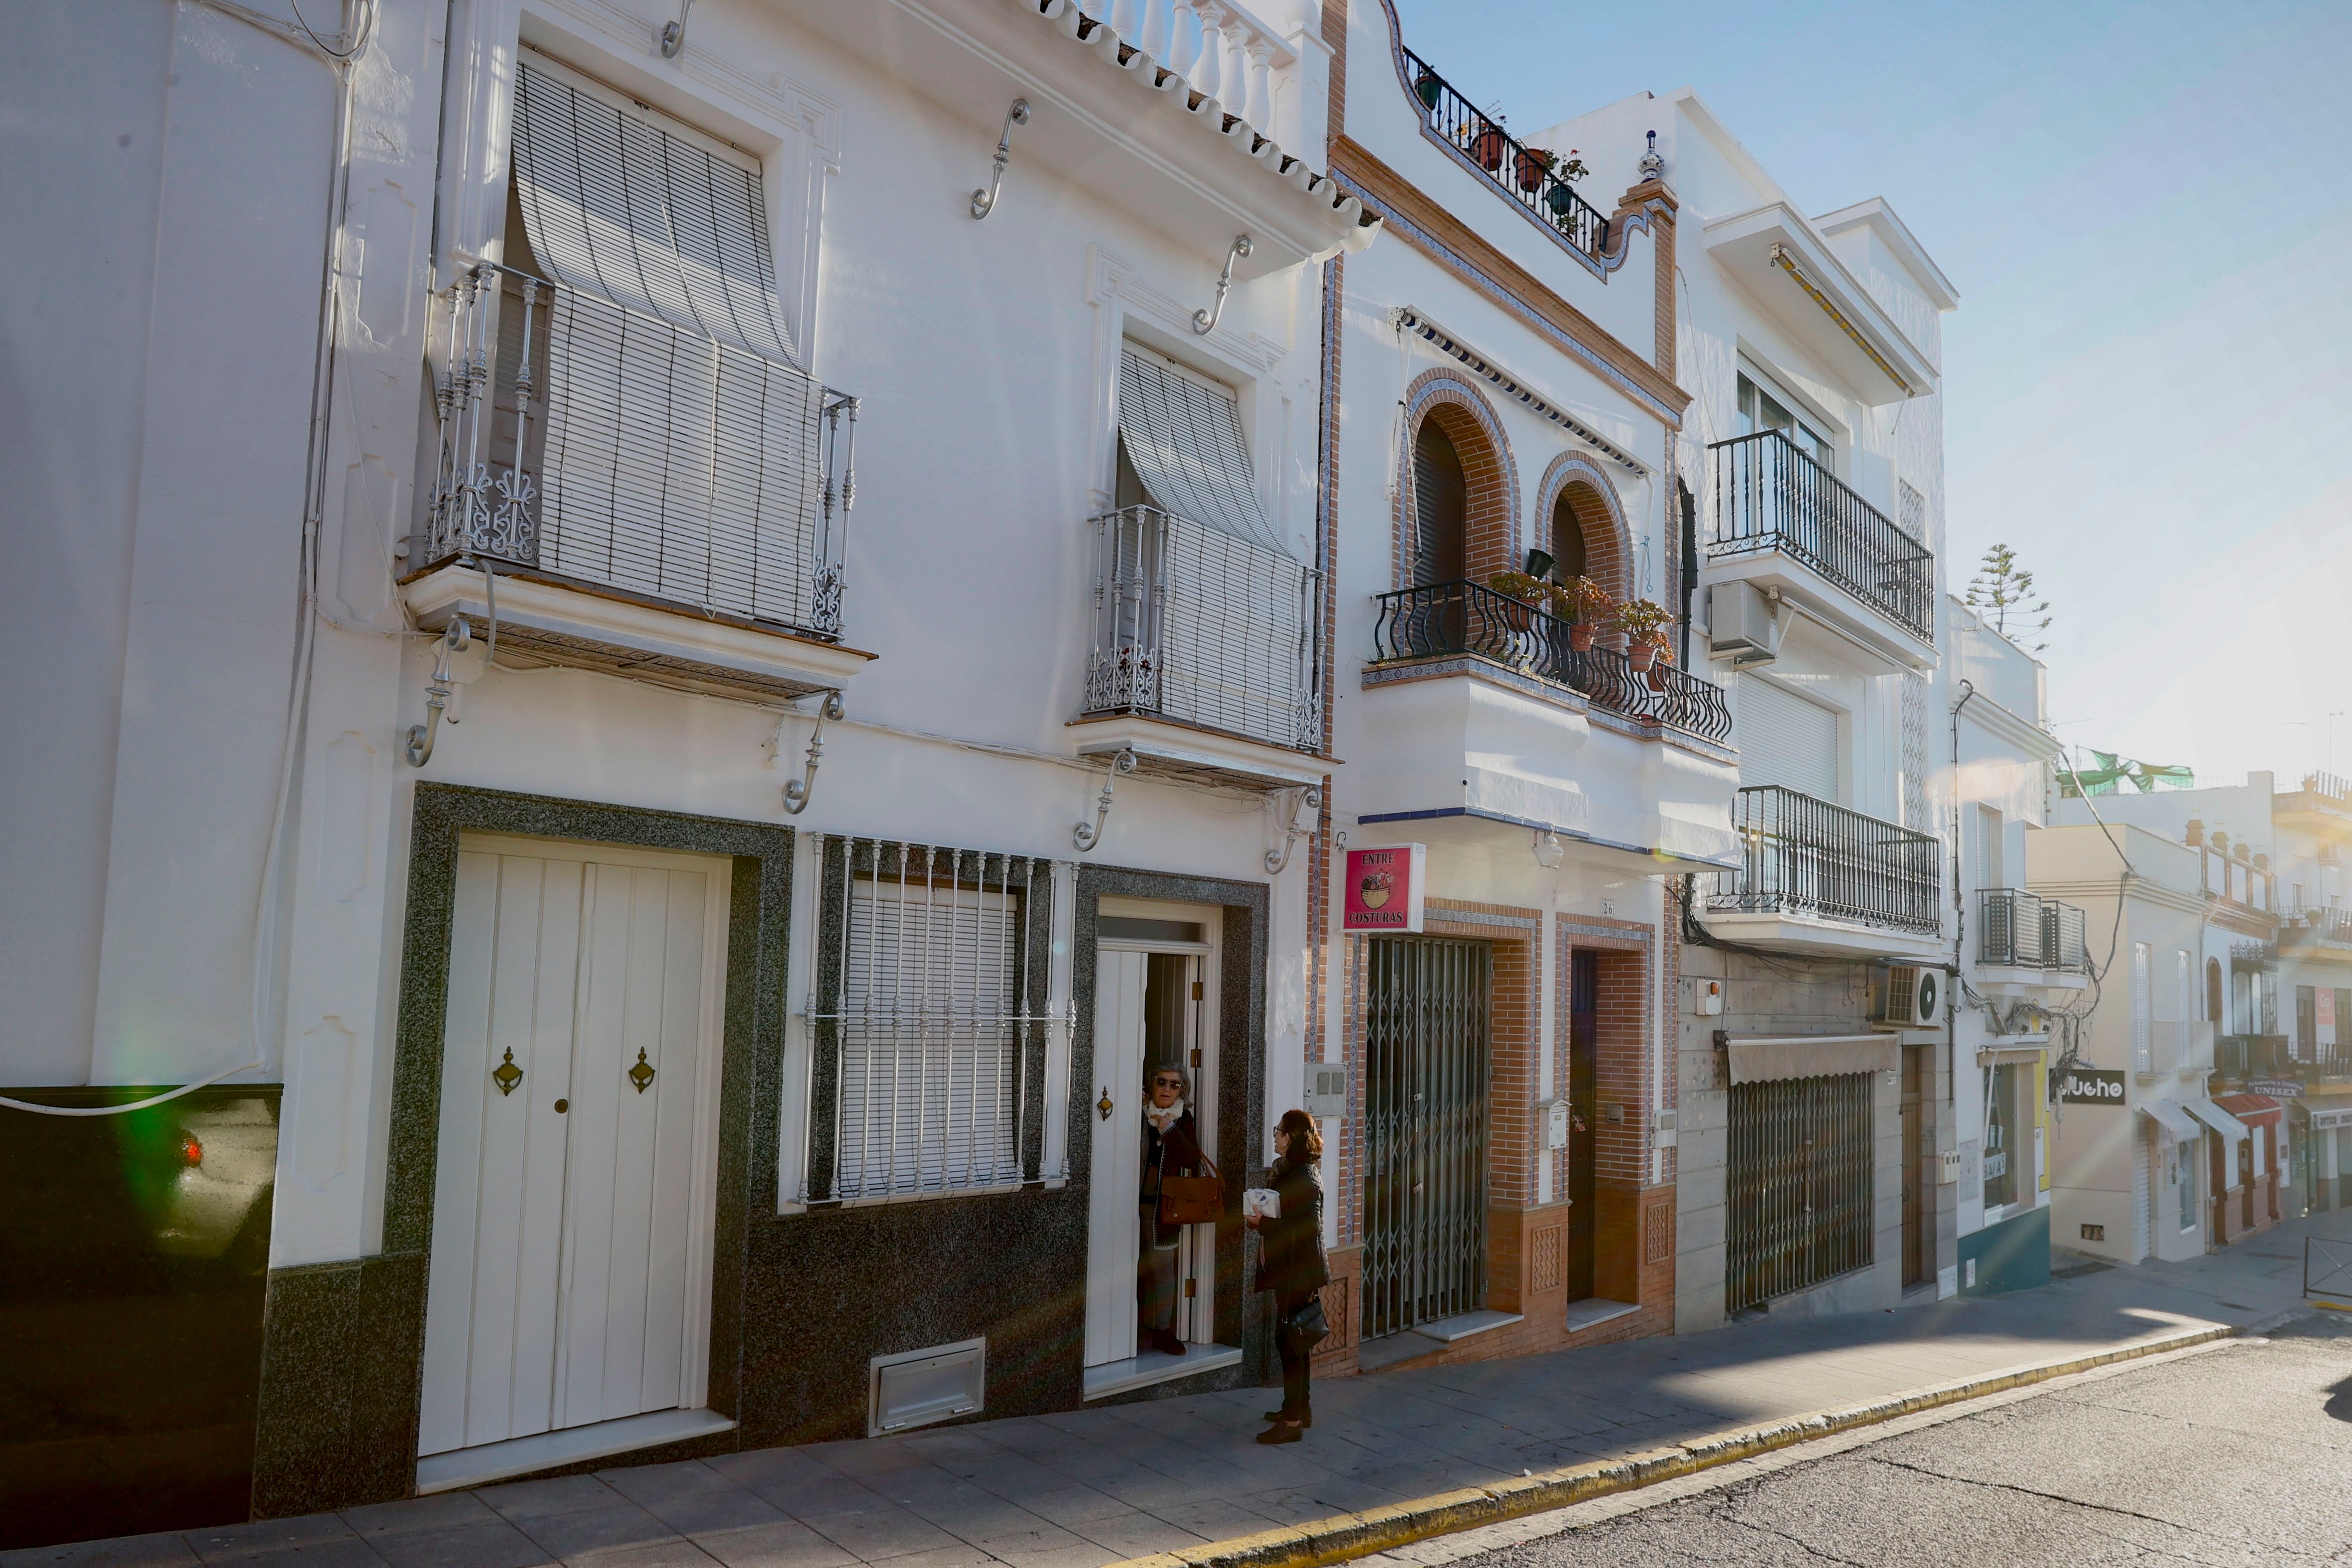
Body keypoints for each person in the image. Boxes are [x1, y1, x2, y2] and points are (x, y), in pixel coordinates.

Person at [1246, 1107, 1328, 1443]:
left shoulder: (1304, 1176)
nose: (1275, 1136)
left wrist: (1262, 1224)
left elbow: (1310, 1226)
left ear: (1292, 1136)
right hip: (1292, 1269)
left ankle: (1292, 1422)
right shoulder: (1293, 1170)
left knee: (1290, 1343)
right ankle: (1299, 1408)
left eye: (1279, 1130)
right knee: (1297, 1341)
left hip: (1300, 1271)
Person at [1138, 1062, 1205, 1358]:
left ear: (1182, 1090)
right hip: (1127, 1203)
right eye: (1161, 1082)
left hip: (1164, 1210)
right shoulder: (1136, 1112)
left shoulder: (1182, 1119)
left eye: (1174, 1085)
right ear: (1151, 1085)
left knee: (1163, 1271)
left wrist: (1168, 1128)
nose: (1167, 1089)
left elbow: (1192, 1159)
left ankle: (1162, 1331)